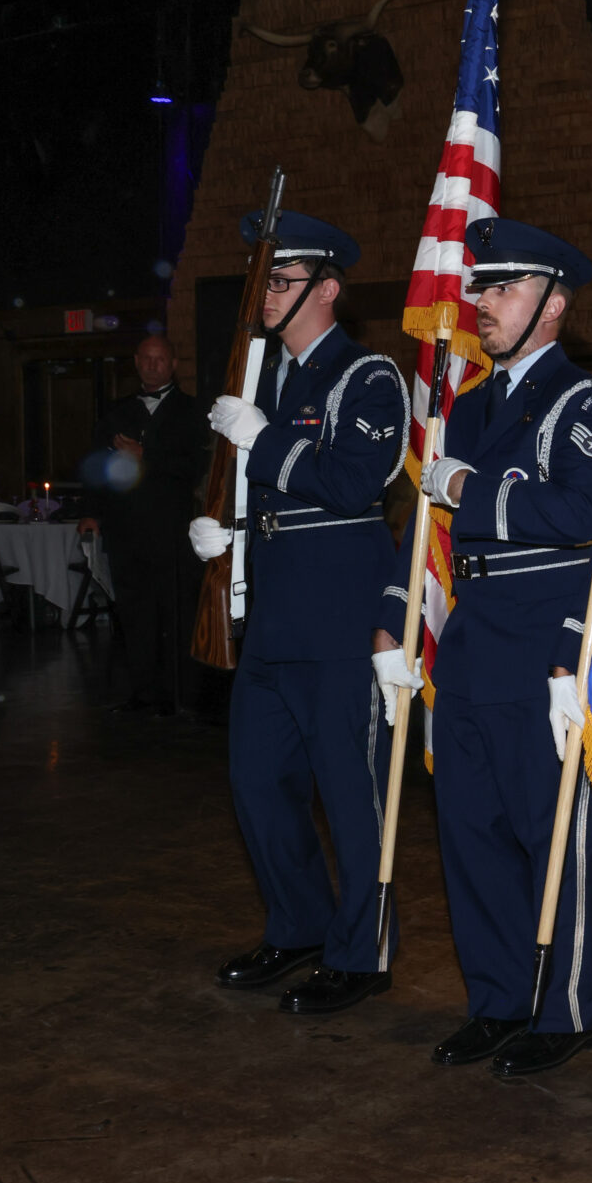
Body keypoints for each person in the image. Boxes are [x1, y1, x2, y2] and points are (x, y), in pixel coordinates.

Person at [373, 218, 592, 1080]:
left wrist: (473, 488)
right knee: (471, 830)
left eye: (504, 290)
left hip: (544, 634)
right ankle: (497, 1000)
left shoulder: (584, 401)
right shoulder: (468, 406)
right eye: (481, 287)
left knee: (546, 828)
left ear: (553, 307)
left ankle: (565, 1010)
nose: (480, 304)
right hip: (473, 633)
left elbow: (582, 517)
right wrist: (404, 616)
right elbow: (430, 536)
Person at [189, 212, 409, 1016]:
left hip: (341, 613)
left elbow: (355, 479)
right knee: (257, 781)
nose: (266, 295)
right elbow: (253, 485)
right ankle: (300, 925)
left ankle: (362, 952)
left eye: (281, 281)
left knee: (350, 791)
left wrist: (266, 440)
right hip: (273, 613)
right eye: (264, 280)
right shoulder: (262, 377)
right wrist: (227, 533)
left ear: (328, 289)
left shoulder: (367, 375)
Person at [90, 333, 209, 716]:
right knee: (134, 614)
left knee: (176, 614)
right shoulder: (116, 411)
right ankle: (142, 694)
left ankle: (180, 696)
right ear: (137, 362)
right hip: (126, 532)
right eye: (146, 359)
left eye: (160, 359)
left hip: (172, 533)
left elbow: (192, 470)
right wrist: (92, 513)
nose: (152, 365)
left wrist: (147, 456)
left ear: (173, 364)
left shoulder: (192, 411)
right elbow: (98, 469)